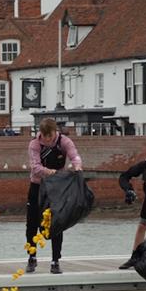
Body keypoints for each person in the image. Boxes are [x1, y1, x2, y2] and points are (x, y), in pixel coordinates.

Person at [25, 117, 83, 274]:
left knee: (56, 224)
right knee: (32, 224)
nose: (47, 139)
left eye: (49, 136)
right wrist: (51, 172)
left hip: (56, 189)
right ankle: (32, 257)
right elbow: (36, 167)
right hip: (37, 187)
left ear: (54, 132)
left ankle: (55, 260)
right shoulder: (34, 144)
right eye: (44, 136)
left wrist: (76, 167)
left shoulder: (64, 142)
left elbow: (74, 156)